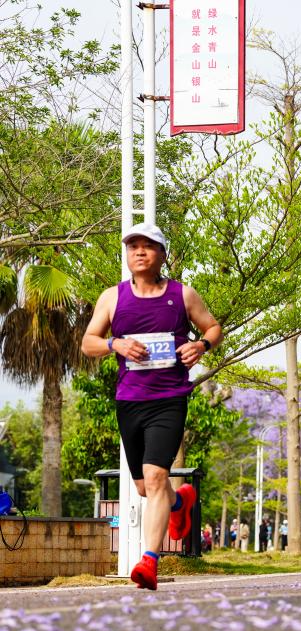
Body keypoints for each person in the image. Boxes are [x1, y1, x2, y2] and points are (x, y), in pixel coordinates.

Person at [81, 222, 221, 590]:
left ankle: (149, 562)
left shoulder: (182, 295)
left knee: (157, 477)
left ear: (162, 254)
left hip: (169, 399)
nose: (139, 252)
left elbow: (213, 328)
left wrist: (201, 345)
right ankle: (179, 504)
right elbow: (88, 342)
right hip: (129, 401)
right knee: (145, 487)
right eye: (133, 246)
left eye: (148, 246)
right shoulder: (112, 298)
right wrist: (115, 344)